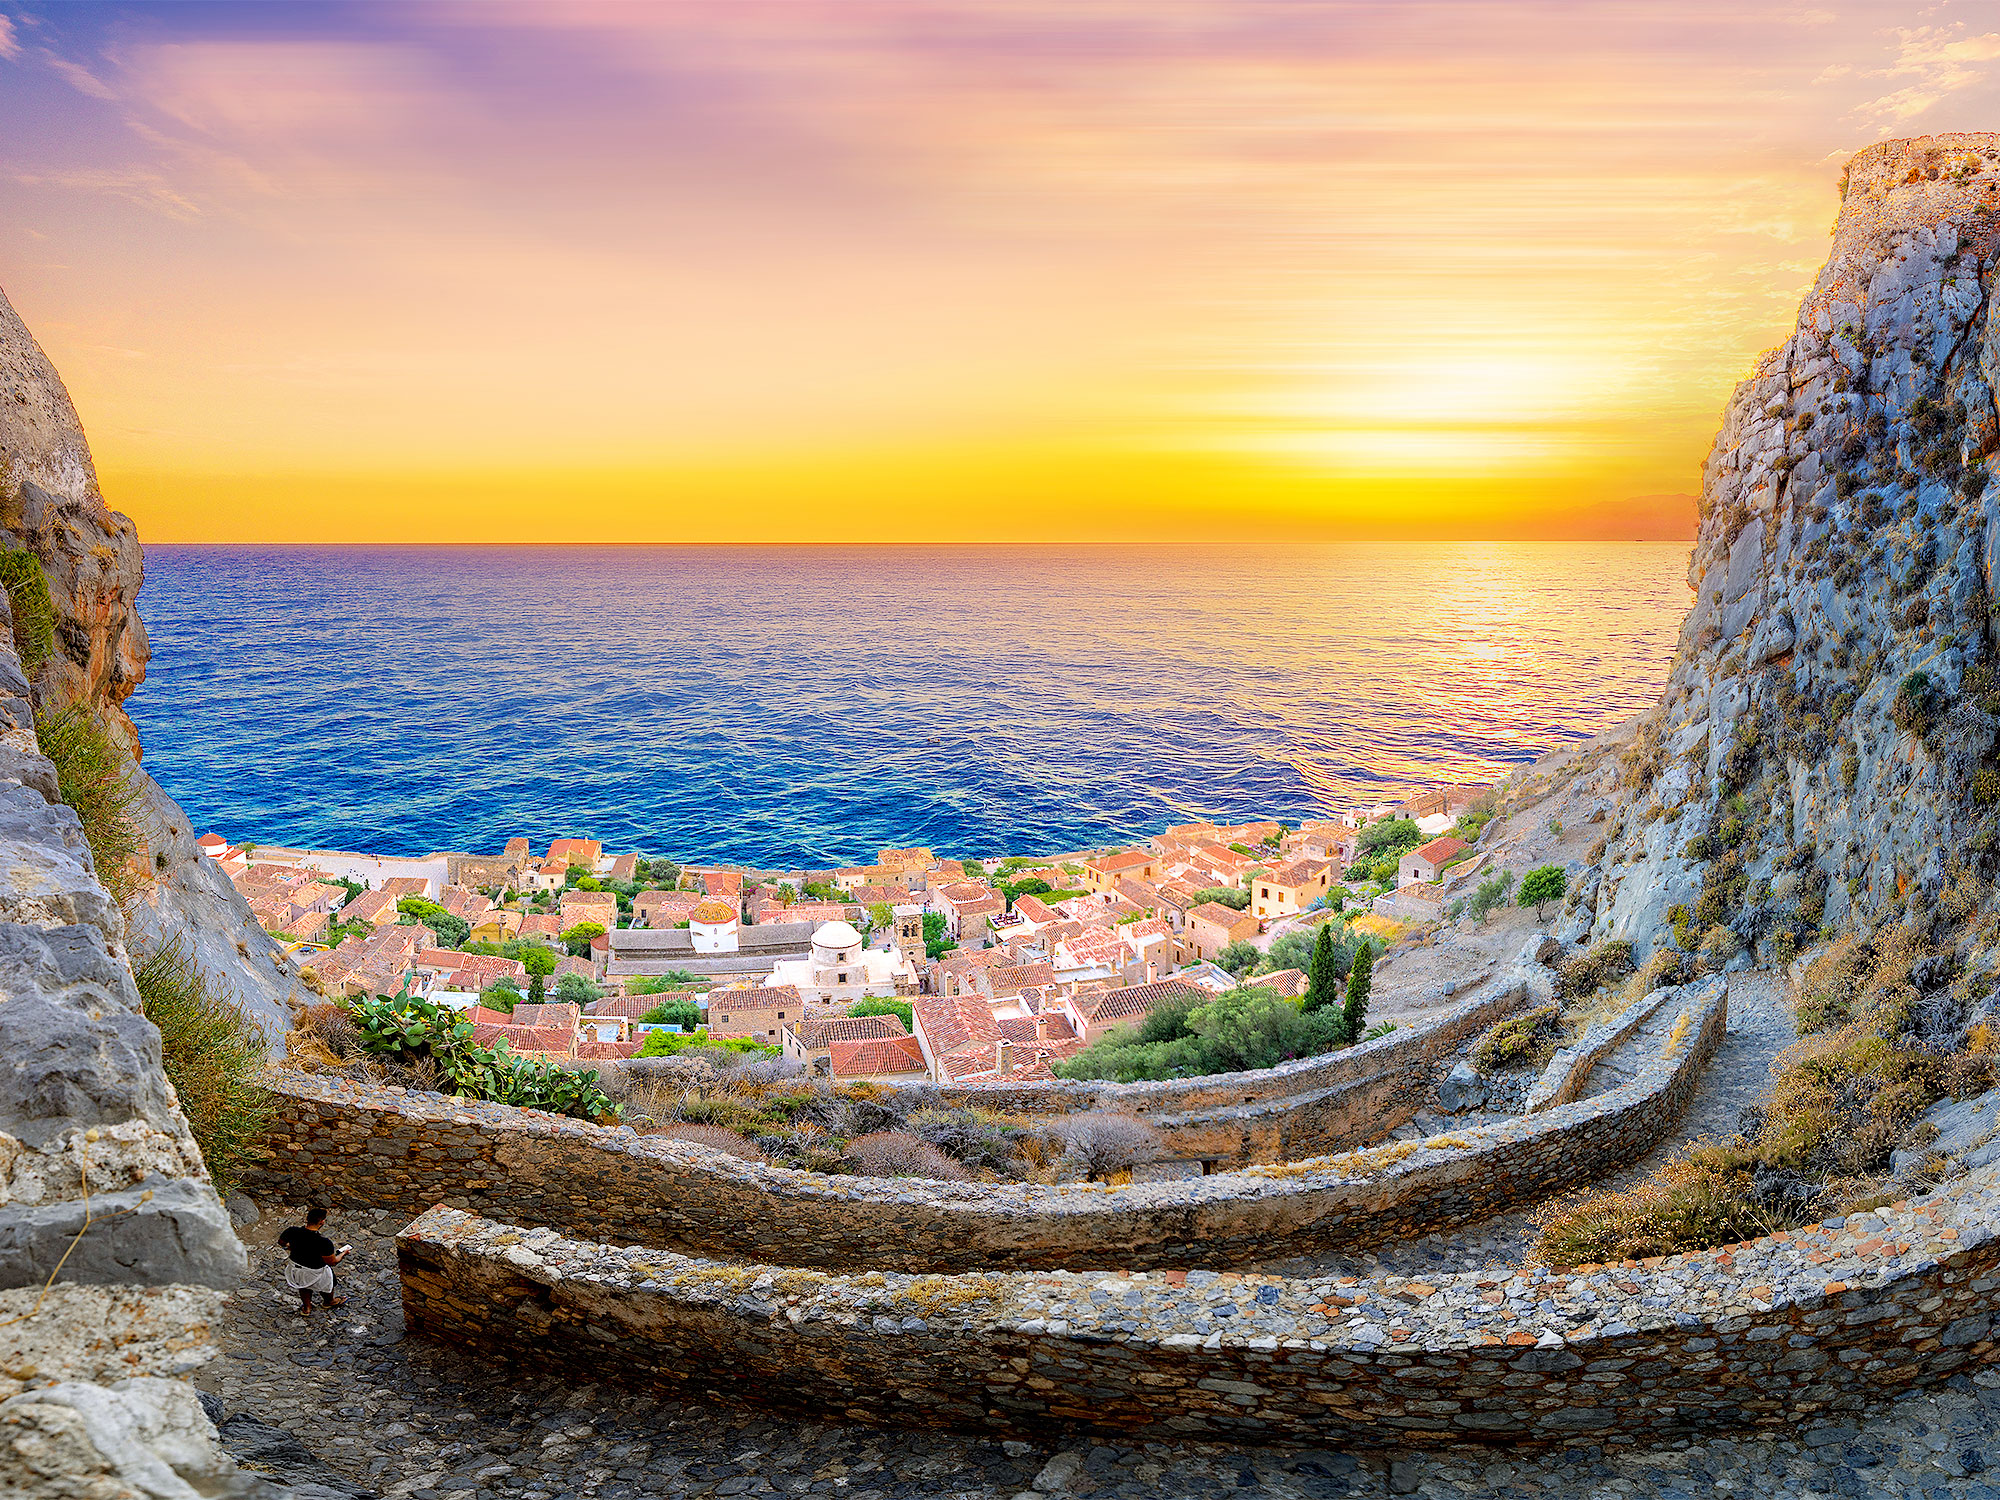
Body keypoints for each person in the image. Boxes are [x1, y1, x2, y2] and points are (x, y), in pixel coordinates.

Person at [277, 1207, 348, 1317]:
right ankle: (329, 1302)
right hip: (314, 1270)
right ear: (322, 1222)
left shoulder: (292, 1231)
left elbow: (281, 1242)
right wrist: (343, 1254)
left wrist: (289, 1247)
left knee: (303, 1285)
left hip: (295, 1267)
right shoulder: (324, 1242)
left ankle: (306, 1308)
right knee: (328, 1282)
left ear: (307, 1219)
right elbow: (332, 1262)